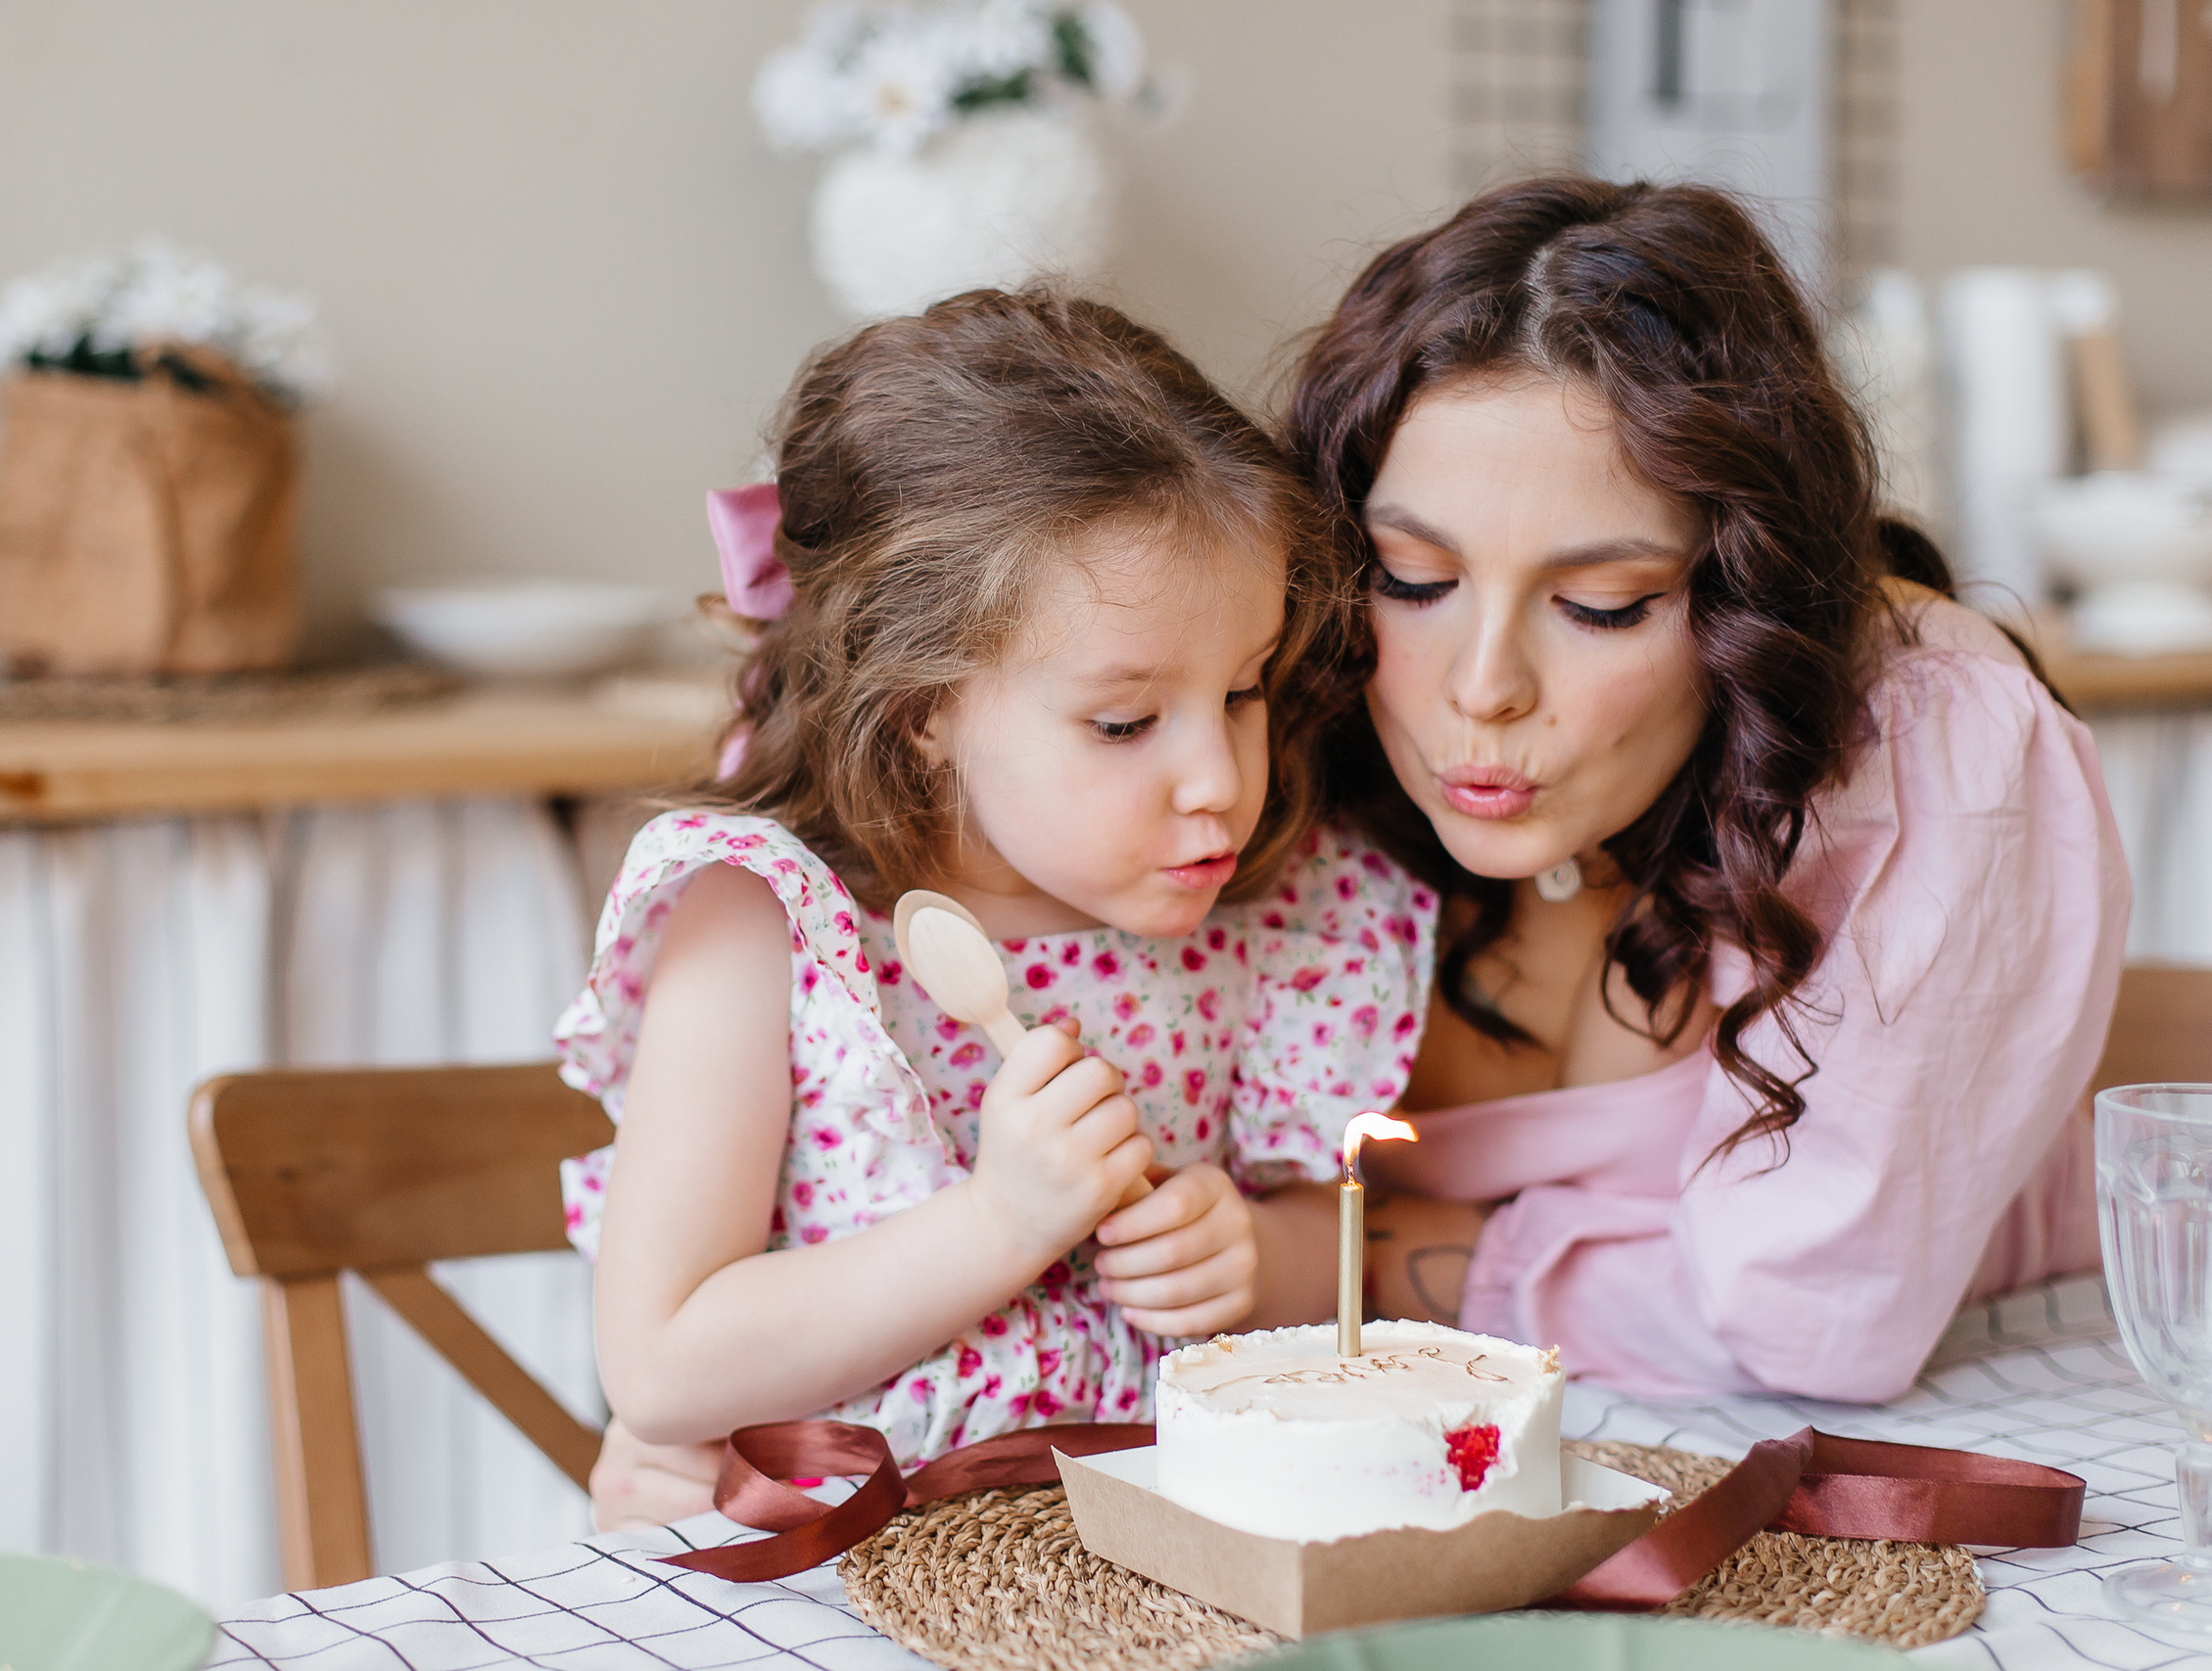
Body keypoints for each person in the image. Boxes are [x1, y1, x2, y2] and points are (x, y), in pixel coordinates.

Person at [566, 288, 1434, 1527]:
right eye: (1125, 722)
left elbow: (1335, 1241)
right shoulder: (771, 930)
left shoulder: (1276, 920)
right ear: (922, 706)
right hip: (841, 1567)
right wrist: (999, 1220)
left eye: (1243, 691)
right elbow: (660, 1369)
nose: (1223, 782)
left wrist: (1253, 1256)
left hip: (1169, 1557)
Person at [1284, 176, 2130, 1403]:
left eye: (1601, 607)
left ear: (1746, 595)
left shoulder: (1932, 742)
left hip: (1992, 1422)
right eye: (1414, 579)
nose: (1480, 689)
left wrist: (1345, 1265)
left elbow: (1805, 1328)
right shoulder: (1274, 710)